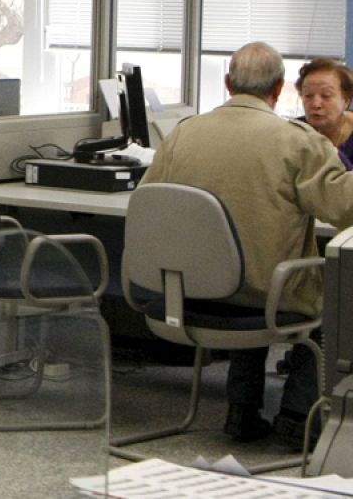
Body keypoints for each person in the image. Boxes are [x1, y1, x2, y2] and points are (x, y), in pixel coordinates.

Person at [141, 42, 353, 446]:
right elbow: (343, 207)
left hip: (189, 294)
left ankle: (240, 410)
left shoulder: (183, 133)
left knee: (241, 277)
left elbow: (148, 201)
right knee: (330, 294)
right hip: (262, 296)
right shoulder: (297, 141)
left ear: (227, 83)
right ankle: (296, 416)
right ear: (279, 90)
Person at [296, 58, 353, 170]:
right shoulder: (296, 131)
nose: (316, 104)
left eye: (326, 96)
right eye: (308, 95)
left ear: (345, 101)